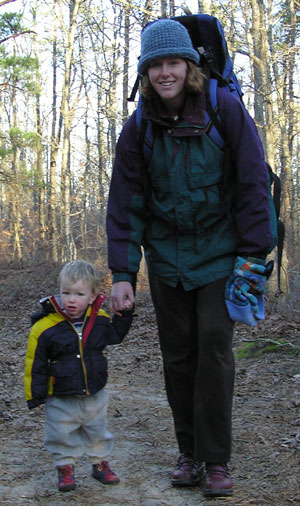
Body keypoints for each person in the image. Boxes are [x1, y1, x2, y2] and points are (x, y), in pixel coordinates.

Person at [106, 18, 275, 498]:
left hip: (222, 256)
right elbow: (126, 201)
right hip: (166, 261)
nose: (165, 72)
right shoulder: (138, 127)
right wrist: (122, 273)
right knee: (179, 358)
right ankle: (189, 453)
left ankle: (216, 460)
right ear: (145, 73)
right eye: (155, 64)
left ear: (190, 66)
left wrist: (251, 258)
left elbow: (252, 186)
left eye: (173, 62)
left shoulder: (225, 110)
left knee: (215, 354)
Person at [24, 260, 133, 492]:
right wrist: (35, 394)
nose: (71, 299)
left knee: (97, 430)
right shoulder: (45, 327)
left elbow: (115, 336)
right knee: (61, 432)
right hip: (60, 395)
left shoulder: (100, 321)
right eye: (66, 293)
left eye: (79, 294)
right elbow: (35, 363)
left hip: (94, 392)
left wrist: (124, 314)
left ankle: (100, 464)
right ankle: (65, 467)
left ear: (92, 297)